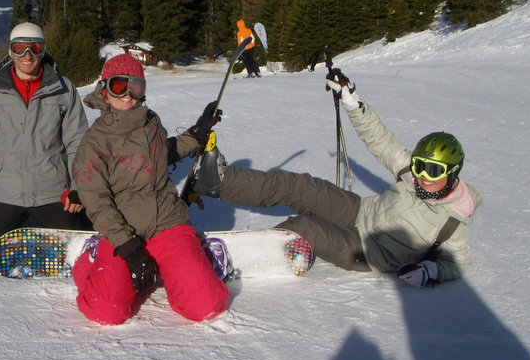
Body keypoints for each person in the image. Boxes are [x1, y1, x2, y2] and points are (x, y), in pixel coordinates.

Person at [193, 69, 482, 287]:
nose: (422, 177)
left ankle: (225, 260)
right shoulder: (411, 175)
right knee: (301, 187)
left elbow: (457, 263)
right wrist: (351, 100)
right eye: (419, 165)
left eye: (434, 171)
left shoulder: (453, 221)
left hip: (367, 251)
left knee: (306, 228)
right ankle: (219, 181)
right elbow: (380, 140)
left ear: (452, 174)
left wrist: (429, 271)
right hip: (359, 210)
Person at [71, 53, 230, 325]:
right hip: (124, 232)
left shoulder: (150, 123)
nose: (128, 95)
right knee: (105, 312)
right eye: (120, 86)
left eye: (136, 86)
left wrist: (195, 135)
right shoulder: (94, 144)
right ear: (104, 89)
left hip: (166, 222)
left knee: (206, 305)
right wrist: (129, 249)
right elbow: (97, 203)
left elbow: (162, 153)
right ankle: (89, 261)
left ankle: (187, 260)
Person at [0, 22, 91, 264]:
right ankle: (18, 222)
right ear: (11, 51)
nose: (28, 56)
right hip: (8, 190)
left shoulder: (63, 88)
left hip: (51, 189)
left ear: (43, 50)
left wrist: (77, 189)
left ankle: (32, 222)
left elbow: (78, 141)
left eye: (34, 48)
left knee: (72, 239)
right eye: (20, 48)